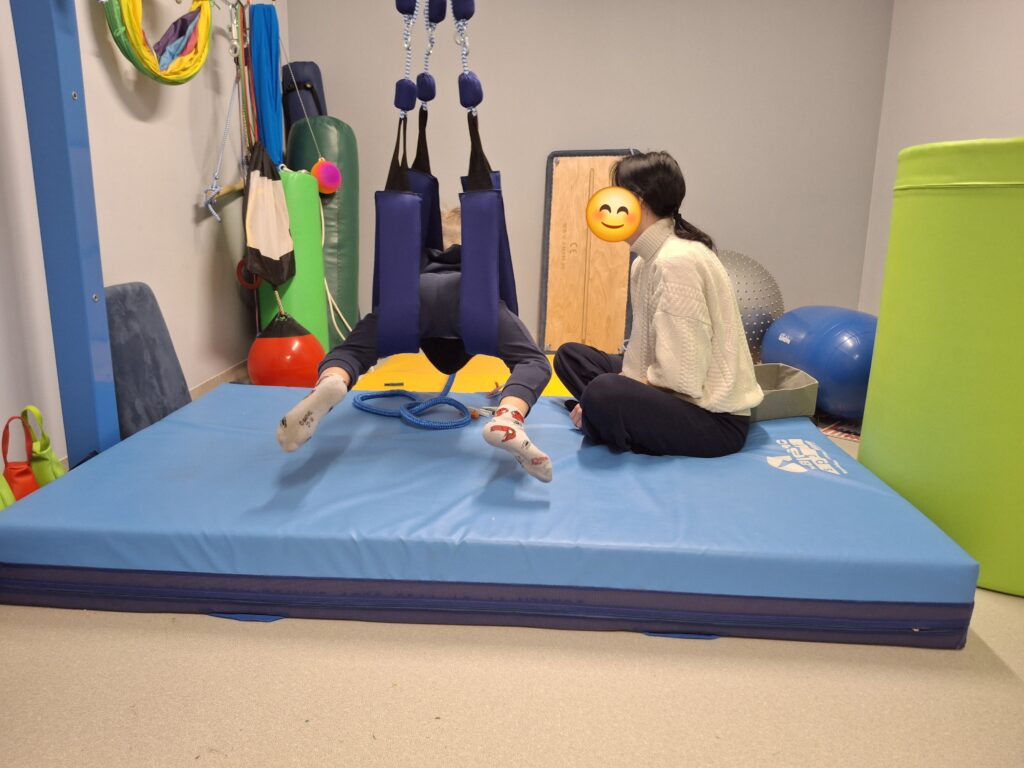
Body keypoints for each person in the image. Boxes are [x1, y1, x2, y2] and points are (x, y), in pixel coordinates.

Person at [277, 209, 554, 483]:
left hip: (414, 294)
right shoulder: (477, 267)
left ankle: (333, 380)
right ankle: (508, 418)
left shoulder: (419, 258)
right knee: (533, 361)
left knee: (352, 351)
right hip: (470, 298)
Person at [554, 151, 763, 458]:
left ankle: (600, 417)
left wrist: (611, 392)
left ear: (637, 201)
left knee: (603, 392)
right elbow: (648, 353)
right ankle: (603, 415)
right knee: (570, 356)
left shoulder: (676, 261)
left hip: (713, 420)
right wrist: (627, 380)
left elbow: (682, 377)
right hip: (673, 389)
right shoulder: (645, 262)